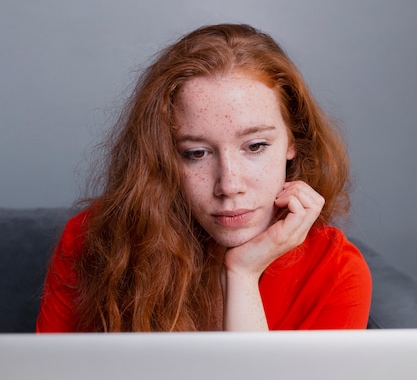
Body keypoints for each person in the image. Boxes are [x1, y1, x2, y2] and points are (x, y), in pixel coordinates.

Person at [36, 23, 372, 332]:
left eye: (255, 146)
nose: (228, 185)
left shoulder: (335, 272)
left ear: (293, 140)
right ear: (165, 156)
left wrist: (241, 274)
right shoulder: (90, 241)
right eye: (196, 153)